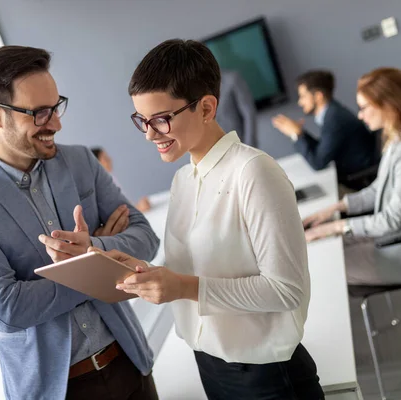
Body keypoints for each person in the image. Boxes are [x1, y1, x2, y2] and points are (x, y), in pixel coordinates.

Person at [95, 39, 324, 399]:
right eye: (142, 120)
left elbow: (286, 289)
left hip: (266, 376)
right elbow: (196, 267)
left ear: (206, 107)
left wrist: (184, 287)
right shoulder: (183, 180)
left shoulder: (253, 172)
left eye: (161, 119)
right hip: (209, 365)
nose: (150, 134)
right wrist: (143, 270)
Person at [0, 46, 160, 400]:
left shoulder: (81, 160)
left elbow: (145, 238)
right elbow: (8, 310)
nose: (55, 123)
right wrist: (95, 270)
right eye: (39, 113)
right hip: (57, 391)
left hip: (130, 366)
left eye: (56, 107)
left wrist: (94, 248)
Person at [303, 67, 401, 285]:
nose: (359, 114)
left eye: (364, 107)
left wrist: (337, 226)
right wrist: (335, 209)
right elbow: (378, 190)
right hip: (390, 242)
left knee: (316, 262)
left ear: (390, 107)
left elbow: (393, 220)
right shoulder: (399, 140)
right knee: (314, 247)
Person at [272, 70, 378, 190]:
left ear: (318, 96)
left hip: (359, 182)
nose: (300, 102)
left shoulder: (334, 119)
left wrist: (296, 134)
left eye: (303, 96)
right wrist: (300, 133)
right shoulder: (333, 113)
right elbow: (321, 150)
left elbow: (318, 162)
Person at [90, 147, 151, 212]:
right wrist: (139, 209)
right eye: (106, 159)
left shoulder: (110, 179)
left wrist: (138, 206)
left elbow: (123, 205)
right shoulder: (100, 188)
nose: (110, 160)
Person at [217, 69, 258, 147]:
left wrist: (250, 146)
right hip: (214, 152)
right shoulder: (195, 89)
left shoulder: (232, 78)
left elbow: (249, 114)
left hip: (239, 145)